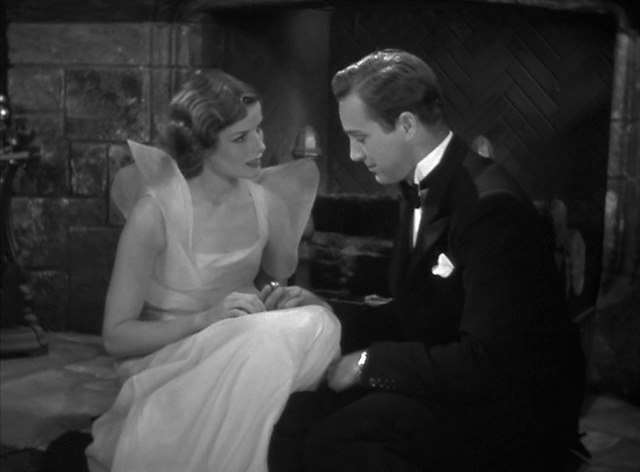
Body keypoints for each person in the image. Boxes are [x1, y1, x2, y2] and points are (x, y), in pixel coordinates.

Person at [268, 49, 586, 472]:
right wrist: (328, 309)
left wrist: (368, 363)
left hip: (509, 413)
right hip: (452, 382)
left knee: (338, 438)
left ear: (406, 125)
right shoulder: (416, 185)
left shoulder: (490, 209)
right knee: (293, 416)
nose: (353, 154)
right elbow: (421, 313)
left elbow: (487, 362)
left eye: (360, 137)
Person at [82, 70, 340, 472]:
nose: (260, 146)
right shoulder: (155, 214)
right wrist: (204, 320)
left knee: (319, 322)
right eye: (241, 138)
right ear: (200, 145)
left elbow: (274, 291)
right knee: (272, 345)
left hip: (245, 347)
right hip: (172, 361)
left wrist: (292, 298)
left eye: (259, 129)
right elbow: (116, 337)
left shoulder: (267, 204)